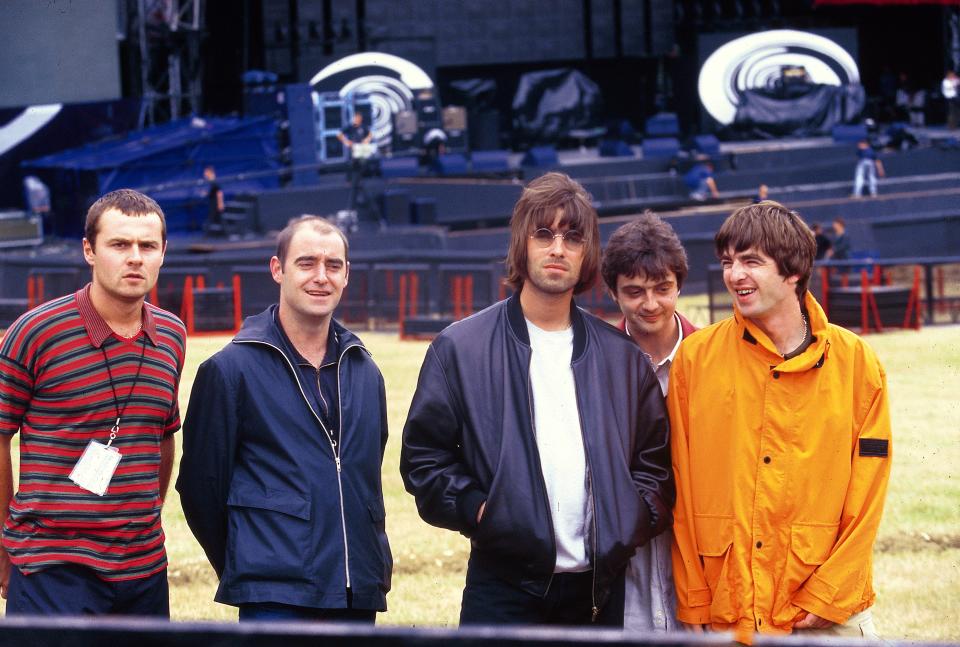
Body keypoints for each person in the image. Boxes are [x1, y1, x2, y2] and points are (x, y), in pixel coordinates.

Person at [400, 172, 673, 627]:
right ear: (521, 244)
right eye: (543, 233)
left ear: (587, 253)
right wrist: (481, 510)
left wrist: (631, 520)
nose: (557, 248)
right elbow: (425, 460)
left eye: (572, 237)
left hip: (597, 594)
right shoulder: (459, 349)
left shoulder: (622, 357)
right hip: (503, 589)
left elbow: (655, 465)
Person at [668, 201, 891, 639]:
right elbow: (681, 484)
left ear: (793, 271)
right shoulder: (695, 359)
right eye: (728, 262)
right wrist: (695, 601)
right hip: (728, 610)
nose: (734, 275)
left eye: (751, 261)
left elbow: (870, 490)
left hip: (827, 613)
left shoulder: (856, 363)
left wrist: (832, 593)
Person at [177, 216, 391, 622]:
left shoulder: (365, 371)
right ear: (278, 269)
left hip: (356, 591)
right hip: (274, 598)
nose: (321, 277)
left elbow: (366, 477)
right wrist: (256, 561)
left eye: (334, 266)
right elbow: (201, 490)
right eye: (307, 263)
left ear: (347, 275)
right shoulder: (229, 370)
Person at [0, 189, 186, 616]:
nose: (135, 257)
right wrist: (3, 545)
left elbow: (163, 436)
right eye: (119, 244)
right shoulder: (36, 332)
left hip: (143, 570)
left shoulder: (172, 335)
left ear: (163, 253)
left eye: (147, 246)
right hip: (52, 567)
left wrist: (146, 520)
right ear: (89, 250)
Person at [600, 212, 698, 631]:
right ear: (613, 292)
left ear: (680, 285)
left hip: (695, 550)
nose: (651, 303)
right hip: (625, 556)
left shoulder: (712, 358)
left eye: (663, 289)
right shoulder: (594, 362)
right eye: (635, 292)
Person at [204, 166, 225, 234]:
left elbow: (219, 193)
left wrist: (220, 203)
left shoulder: (214, 182)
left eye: (206, 172)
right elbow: (213, 192)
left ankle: (227, 234)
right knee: (213, 218)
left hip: (216, 203)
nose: (204, 174)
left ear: (210, 172)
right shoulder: (210, 182)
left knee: (220, 218)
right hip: (212, 202)